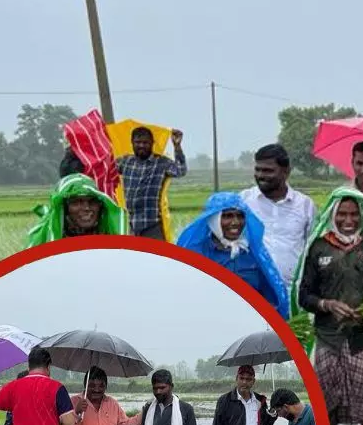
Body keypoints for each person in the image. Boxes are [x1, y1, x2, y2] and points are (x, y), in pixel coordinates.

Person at [300, 188, 363, 425]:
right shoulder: (319, 246)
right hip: (328, 339)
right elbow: (305, 296)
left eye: (354, 214)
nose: (349, 220)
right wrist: (327, 305)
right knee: (326, 413)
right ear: (333, 216)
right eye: (343, 214)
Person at [176, 191, 292, 319]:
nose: (235, 222)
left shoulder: (252, 253)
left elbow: (270, 295)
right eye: (227, 216)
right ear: (213, 219)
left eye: (240, 216)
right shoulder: (197, 254)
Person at [239, 143, 316, 286]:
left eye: (268, 171)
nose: (261, 175)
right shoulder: (244, 201)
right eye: (258, 170)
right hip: (253, 290)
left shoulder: (305, 205)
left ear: (286, 172)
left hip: (292, 292)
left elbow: (312, 248)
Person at [115, 125, 186, 241]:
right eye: (138, 142)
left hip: (153, 226)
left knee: (155, 258)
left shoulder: (162, 163)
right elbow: (104, 169)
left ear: (152, 143)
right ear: (132, 143)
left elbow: (181, 170)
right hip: (131, 225)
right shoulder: (125, 161)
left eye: (145, 142)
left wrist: (177, 146)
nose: (141, 145)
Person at [26, 173, 127, 246]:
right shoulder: (42, 242)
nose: (87, 208)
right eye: (77, 202)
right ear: (64, 208)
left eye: (92, 201)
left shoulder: (111, 242)